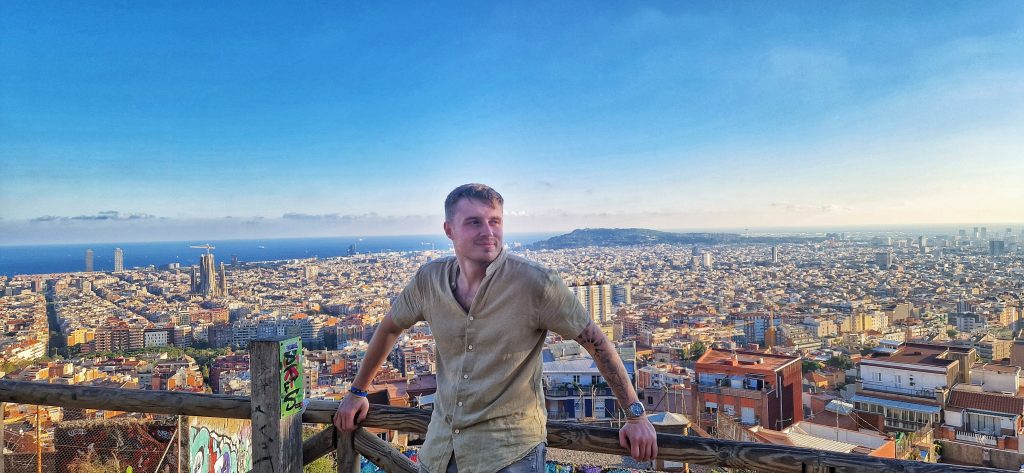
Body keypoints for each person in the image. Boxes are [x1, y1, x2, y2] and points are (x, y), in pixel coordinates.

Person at [334, 183, 657, 473]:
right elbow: (390, 327)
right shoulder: (429, 280)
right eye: (474, 222)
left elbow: (596, 342)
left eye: (495, 221)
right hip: (440, 448)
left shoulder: (535, 283)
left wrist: (636, 414)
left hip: (509, 451)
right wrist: (357, 392)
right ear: (449, 230)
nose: (488, 231)